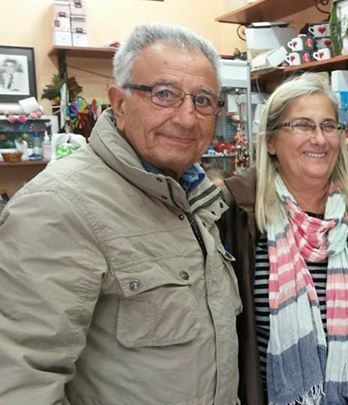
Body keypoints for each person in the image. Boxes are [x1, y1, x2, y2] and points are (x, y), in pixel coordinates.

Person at [0, 23, 241, 404]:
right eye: (164, 94)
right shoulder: (57, 206)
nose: (187, 118)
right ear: (119, 102)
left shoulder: (192, 196)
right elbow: (20, 382)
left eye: (203, 100)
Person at [222, 73, 348, 405]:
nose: (319, 139)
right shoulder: (240, 212)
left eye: (329, 126)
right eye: (303, 125)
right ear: (271, 142)